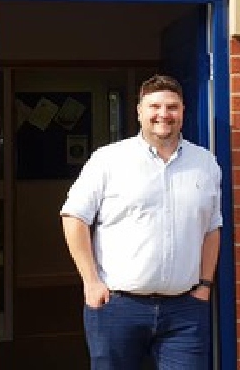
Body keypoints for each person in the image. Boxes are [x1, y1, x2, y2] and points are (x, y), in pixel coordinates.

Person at [60, 74, 222, 370]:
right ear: (139, 111)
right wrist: (91, 281)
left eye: (172, 107)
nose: (164, 114)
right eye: (154, 106)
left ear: (183, 110)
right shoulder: (108, 160)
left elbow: (212, 228)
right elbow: (74, 217)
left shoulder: (205, 163)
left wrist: (205, 285)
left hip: (185, 310)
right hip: (117, 307)